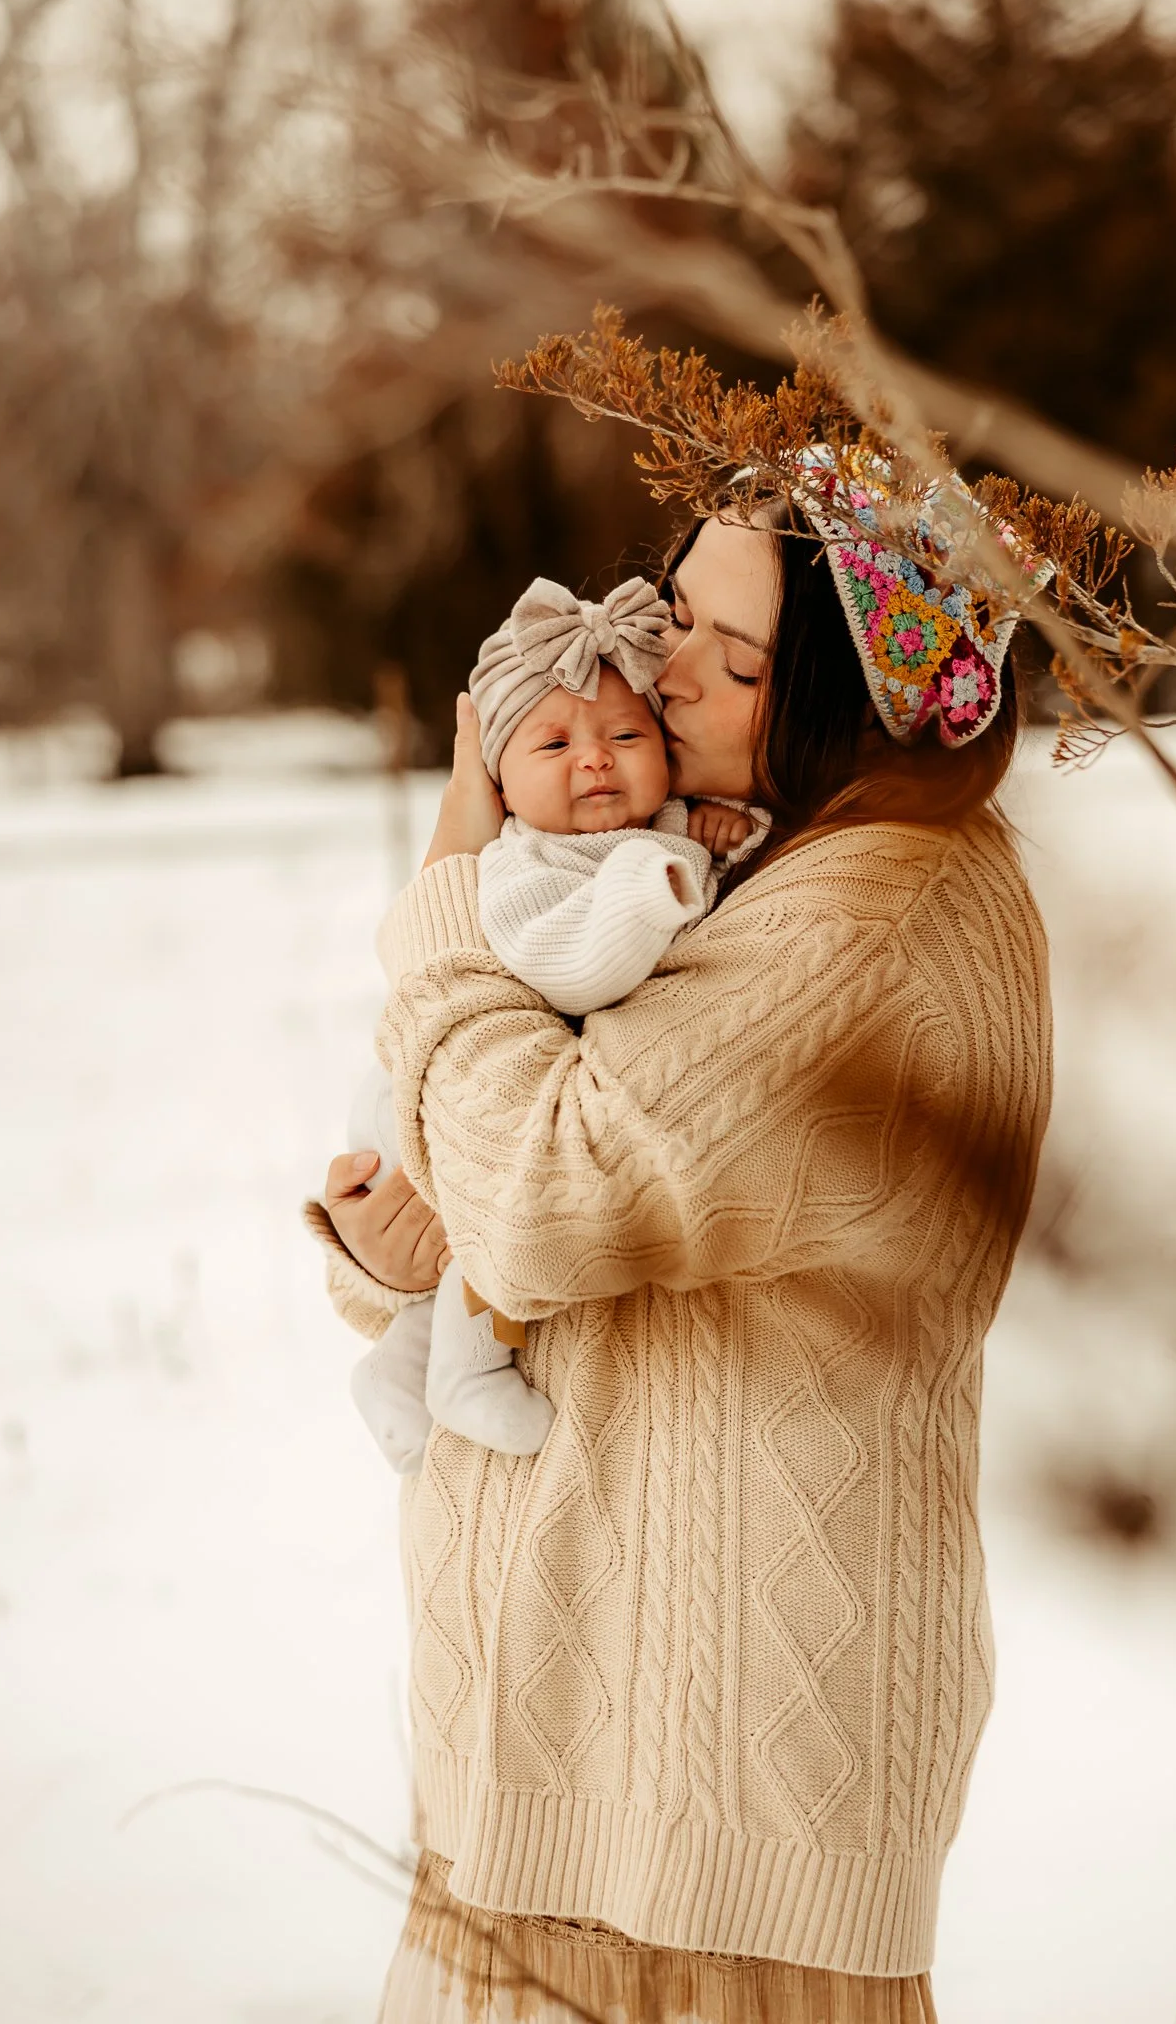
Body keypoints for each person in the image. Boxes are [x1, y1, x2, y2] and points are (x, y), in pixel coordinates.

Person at [306, 446, 1054, 2023]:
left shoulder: (868, 916)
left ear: (857, 694)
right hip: (583, 1774)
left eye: (733, 660)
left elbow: (548, 1185)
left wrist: (451, 887)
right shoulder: (759, 867)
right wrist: (410, 1260)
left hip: (711, 1809)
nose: (665, 687)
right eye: (669, 631)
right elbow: (593, 1219)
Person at [345, 571, 766, 1472]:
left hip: (475, 1082)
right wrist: (649, 887)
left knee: (475, 1218)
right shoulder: (523, 867)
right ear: (494, 780)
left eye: (625, 733)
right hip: (422, 1092)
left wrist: (705, 830)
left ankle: (399, 1369)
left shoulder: (646, 832)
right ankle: (461, 1372)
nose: (596, 760)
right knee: (477, 1225)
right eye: (553, 744)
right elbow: (568, 966)